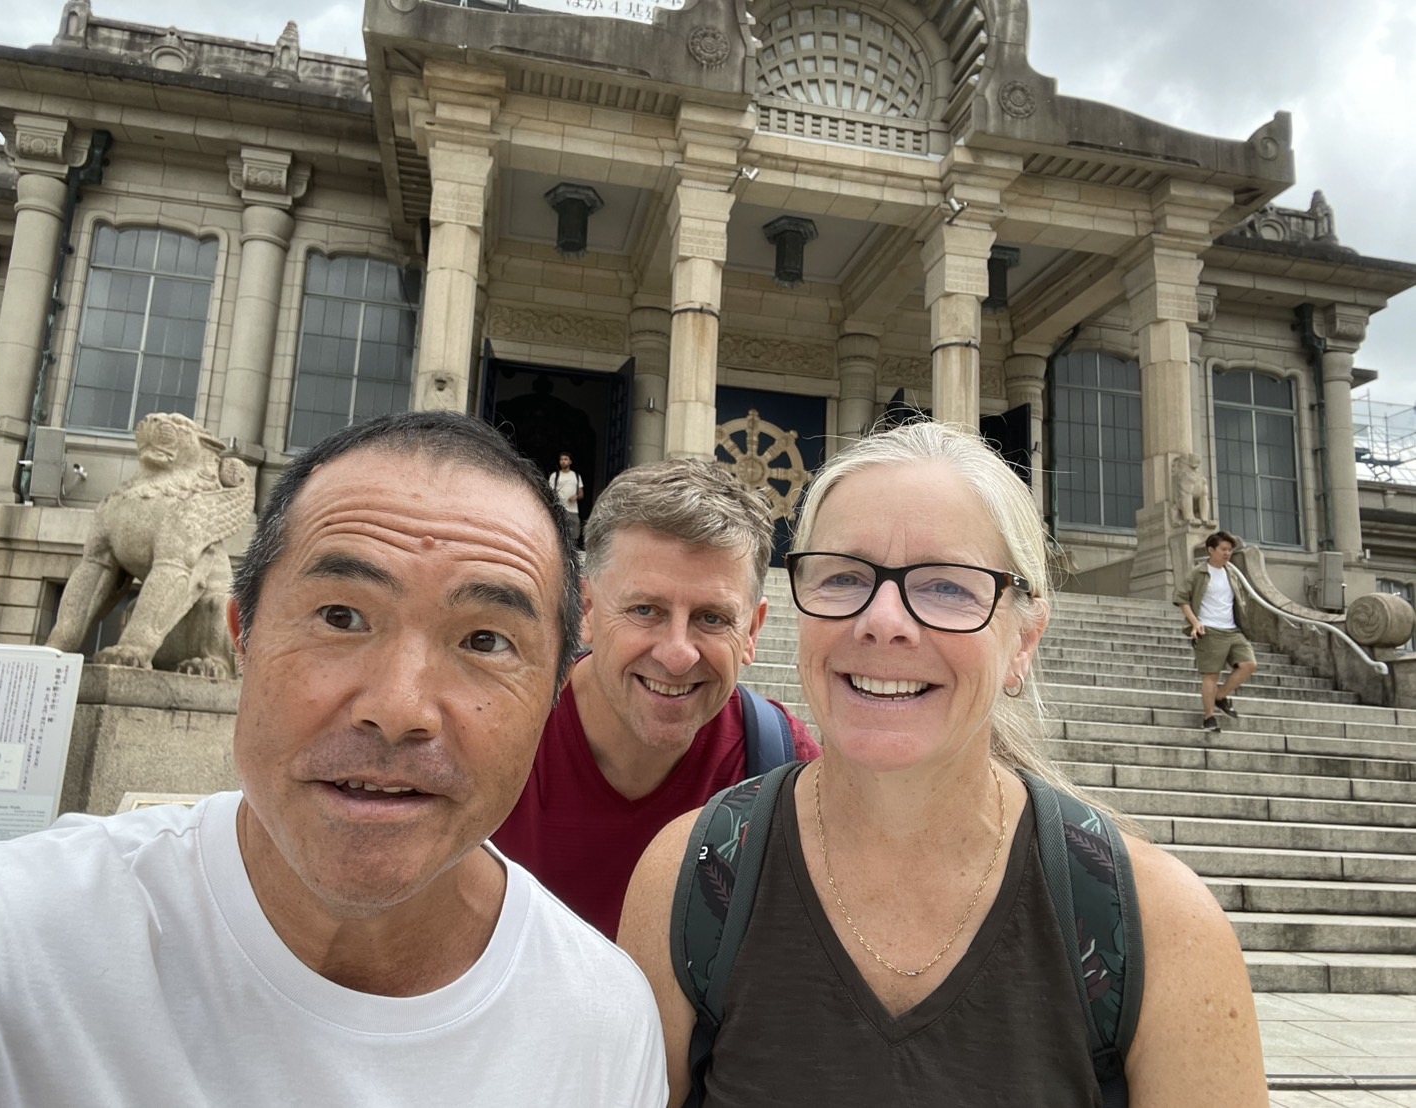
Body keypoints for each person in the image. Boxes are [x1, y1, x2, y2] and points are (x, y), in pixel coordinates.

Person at [0, 412, 666, 1107]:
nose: (398, 708)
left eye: (485, 641)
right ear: (242, 639)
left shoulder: (603, 1022)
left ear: (553, 690)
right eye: (340, 617)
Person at [619, 421, 1267, 1107]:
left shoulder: (1159, 927)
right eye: (843, 576)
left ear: (1023, 640)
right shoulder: (687, 879)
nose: (883, 620)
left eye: (947, 587)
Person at [494, 458, 820, 938]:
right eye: (645, 610)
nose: (677, 655)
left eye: (712, 618)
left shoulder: (785, 771)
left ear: (752, 631)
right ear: (586, 610)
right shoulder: (495, 734)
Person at [1174, 529, 1259, 733]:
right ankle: (1209, 717)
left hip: (1232, 629)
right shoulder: (1199, 573)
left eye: (1229, 550)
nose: (1227, 553)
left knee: (1249, 665)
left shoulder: (1232, 573)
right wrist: (1195, 623)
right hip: (1209, 629)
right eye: (1223, 549)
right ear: (1211, 550)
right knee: (1211, 674)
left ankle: (1220, 696)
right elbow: (1181, 598)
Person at [549, 451, 584, 544]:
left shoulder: (576, 476)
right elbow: (549, 492)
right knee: (558, 534)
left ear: (570, 462)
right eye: (561, 459)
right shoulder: (555, 476)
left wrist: (576, 496)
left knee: (574, 534)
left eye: (565, 459)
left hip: (573, 510)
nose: (563, 461)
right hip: (559, 509)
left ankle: (573, 551)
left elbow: (581, 493)